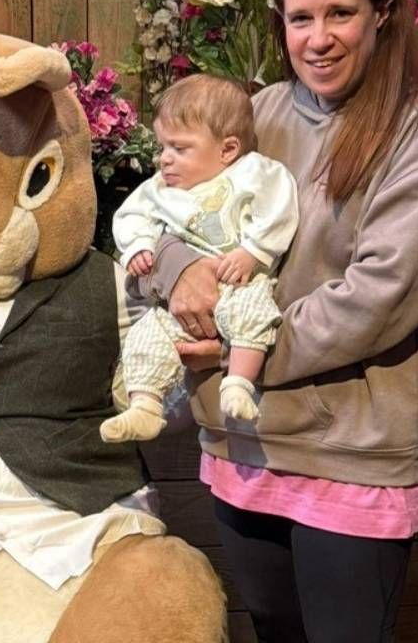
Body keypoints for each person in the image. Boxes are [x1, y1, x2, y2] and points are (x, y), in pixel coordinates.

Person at [148, 0, 418, 642]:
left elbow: (380, 298)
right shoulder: (260, 113)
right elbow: (166, 210)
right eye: (301, 18)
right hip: (247, 440)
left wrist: (240, 347)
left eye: (340, 14)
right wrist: (179, 271)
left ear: (383, 12)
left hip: (352, 454)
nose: (318, 39)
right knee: (275, 631)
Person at [101, 74, 298, 444]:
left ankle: (238, 384)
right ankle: (145, 405)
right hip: (180, 305)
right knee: (147, 333)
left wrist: (254, 251)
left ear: (227, 149)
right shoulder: (161, 189)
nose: (165, 159)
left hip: (239, 281)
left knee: (253, 314)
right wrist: (140, 246)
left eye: (180, 148)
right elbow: (130, 215)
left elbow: (279, 206)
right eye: (163, 146)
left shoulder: (252, 172)